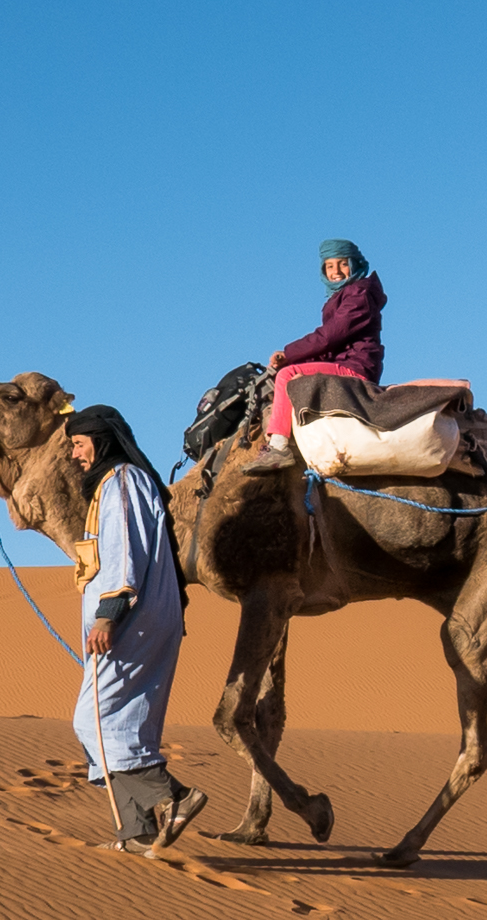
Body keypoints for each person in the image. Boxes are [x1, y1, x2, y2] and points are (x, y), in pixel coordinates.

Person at [61, 404, 209, 854]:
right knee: (123, 724)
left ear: (101, 441)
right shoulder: (119, 483)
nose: (74, 455)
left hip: (132, 619)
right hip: (141, 618)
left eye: (79, 444)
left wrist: (108, 614)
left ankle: (173, 797)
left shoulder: (121, 481)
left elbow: (125, 550)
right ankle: (137, 831)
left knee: (92, 721)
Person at [240, 238, 386, 475]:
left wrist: (288, 354)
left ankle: (278, 446)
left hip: (356, 367)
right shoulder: (344, 296)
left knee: (287, 375)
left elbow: (330, 337)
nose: (336, 271)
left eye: (342, 264)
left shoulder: (360, 295)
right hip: (344, 362)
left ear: (355, 264)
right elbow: (330, 347)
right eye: (329, 266)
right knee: (285, 371)